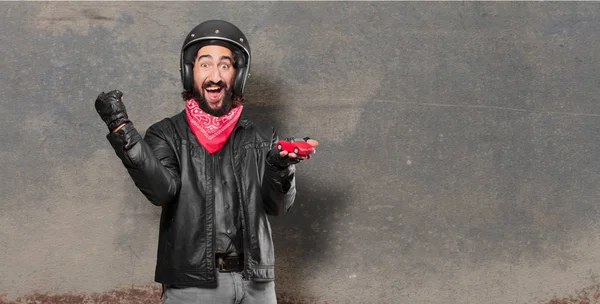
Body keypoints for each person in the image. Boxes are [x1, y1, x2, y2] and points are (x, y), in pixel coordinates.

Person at [94, 20, 318, 304]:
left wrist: (280, 167)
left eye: (225, 65)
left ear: (238, 75)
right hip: (194, 287)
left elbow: (277, 206)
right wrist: (121, 129)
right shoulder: (165, 134)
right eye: (205, 64)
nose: (215, 75)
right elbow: (161, 191)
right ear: (190, 72)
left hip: (257, 284)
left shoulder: (263, 136)